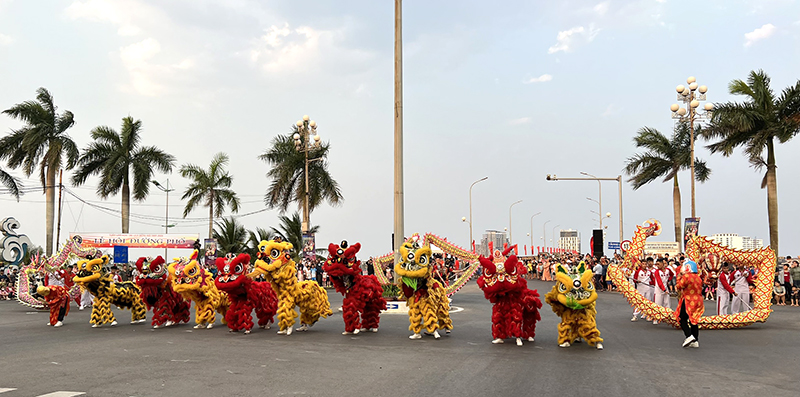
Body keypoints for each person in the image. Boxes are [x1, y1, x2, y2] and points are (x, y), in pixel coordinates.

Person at [675, 260, 703, 348]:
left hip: (688, 300)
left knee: (682, 318)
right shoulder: (698, 277)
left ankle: (689, 335)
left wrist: (679, 277)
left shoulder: (686, 276)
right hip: (698, 300)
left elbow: (679, 286)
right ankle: (695, 340)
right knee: (694, 320)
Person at [653, 258, 675, 322]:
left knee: (667, 303)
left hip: (666, 289)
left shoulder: (668, 270)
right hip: (659, 290)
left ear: (663, 264)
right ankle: (656, 319)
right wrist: (664, 289)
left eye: (659, 264)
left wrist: (668, 280)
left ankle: (668, 318)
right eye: (657, 264)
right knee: (658, 304)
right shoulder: (657, 272)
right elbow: (659, 282)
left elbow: (672, 275)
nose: (658, 266)